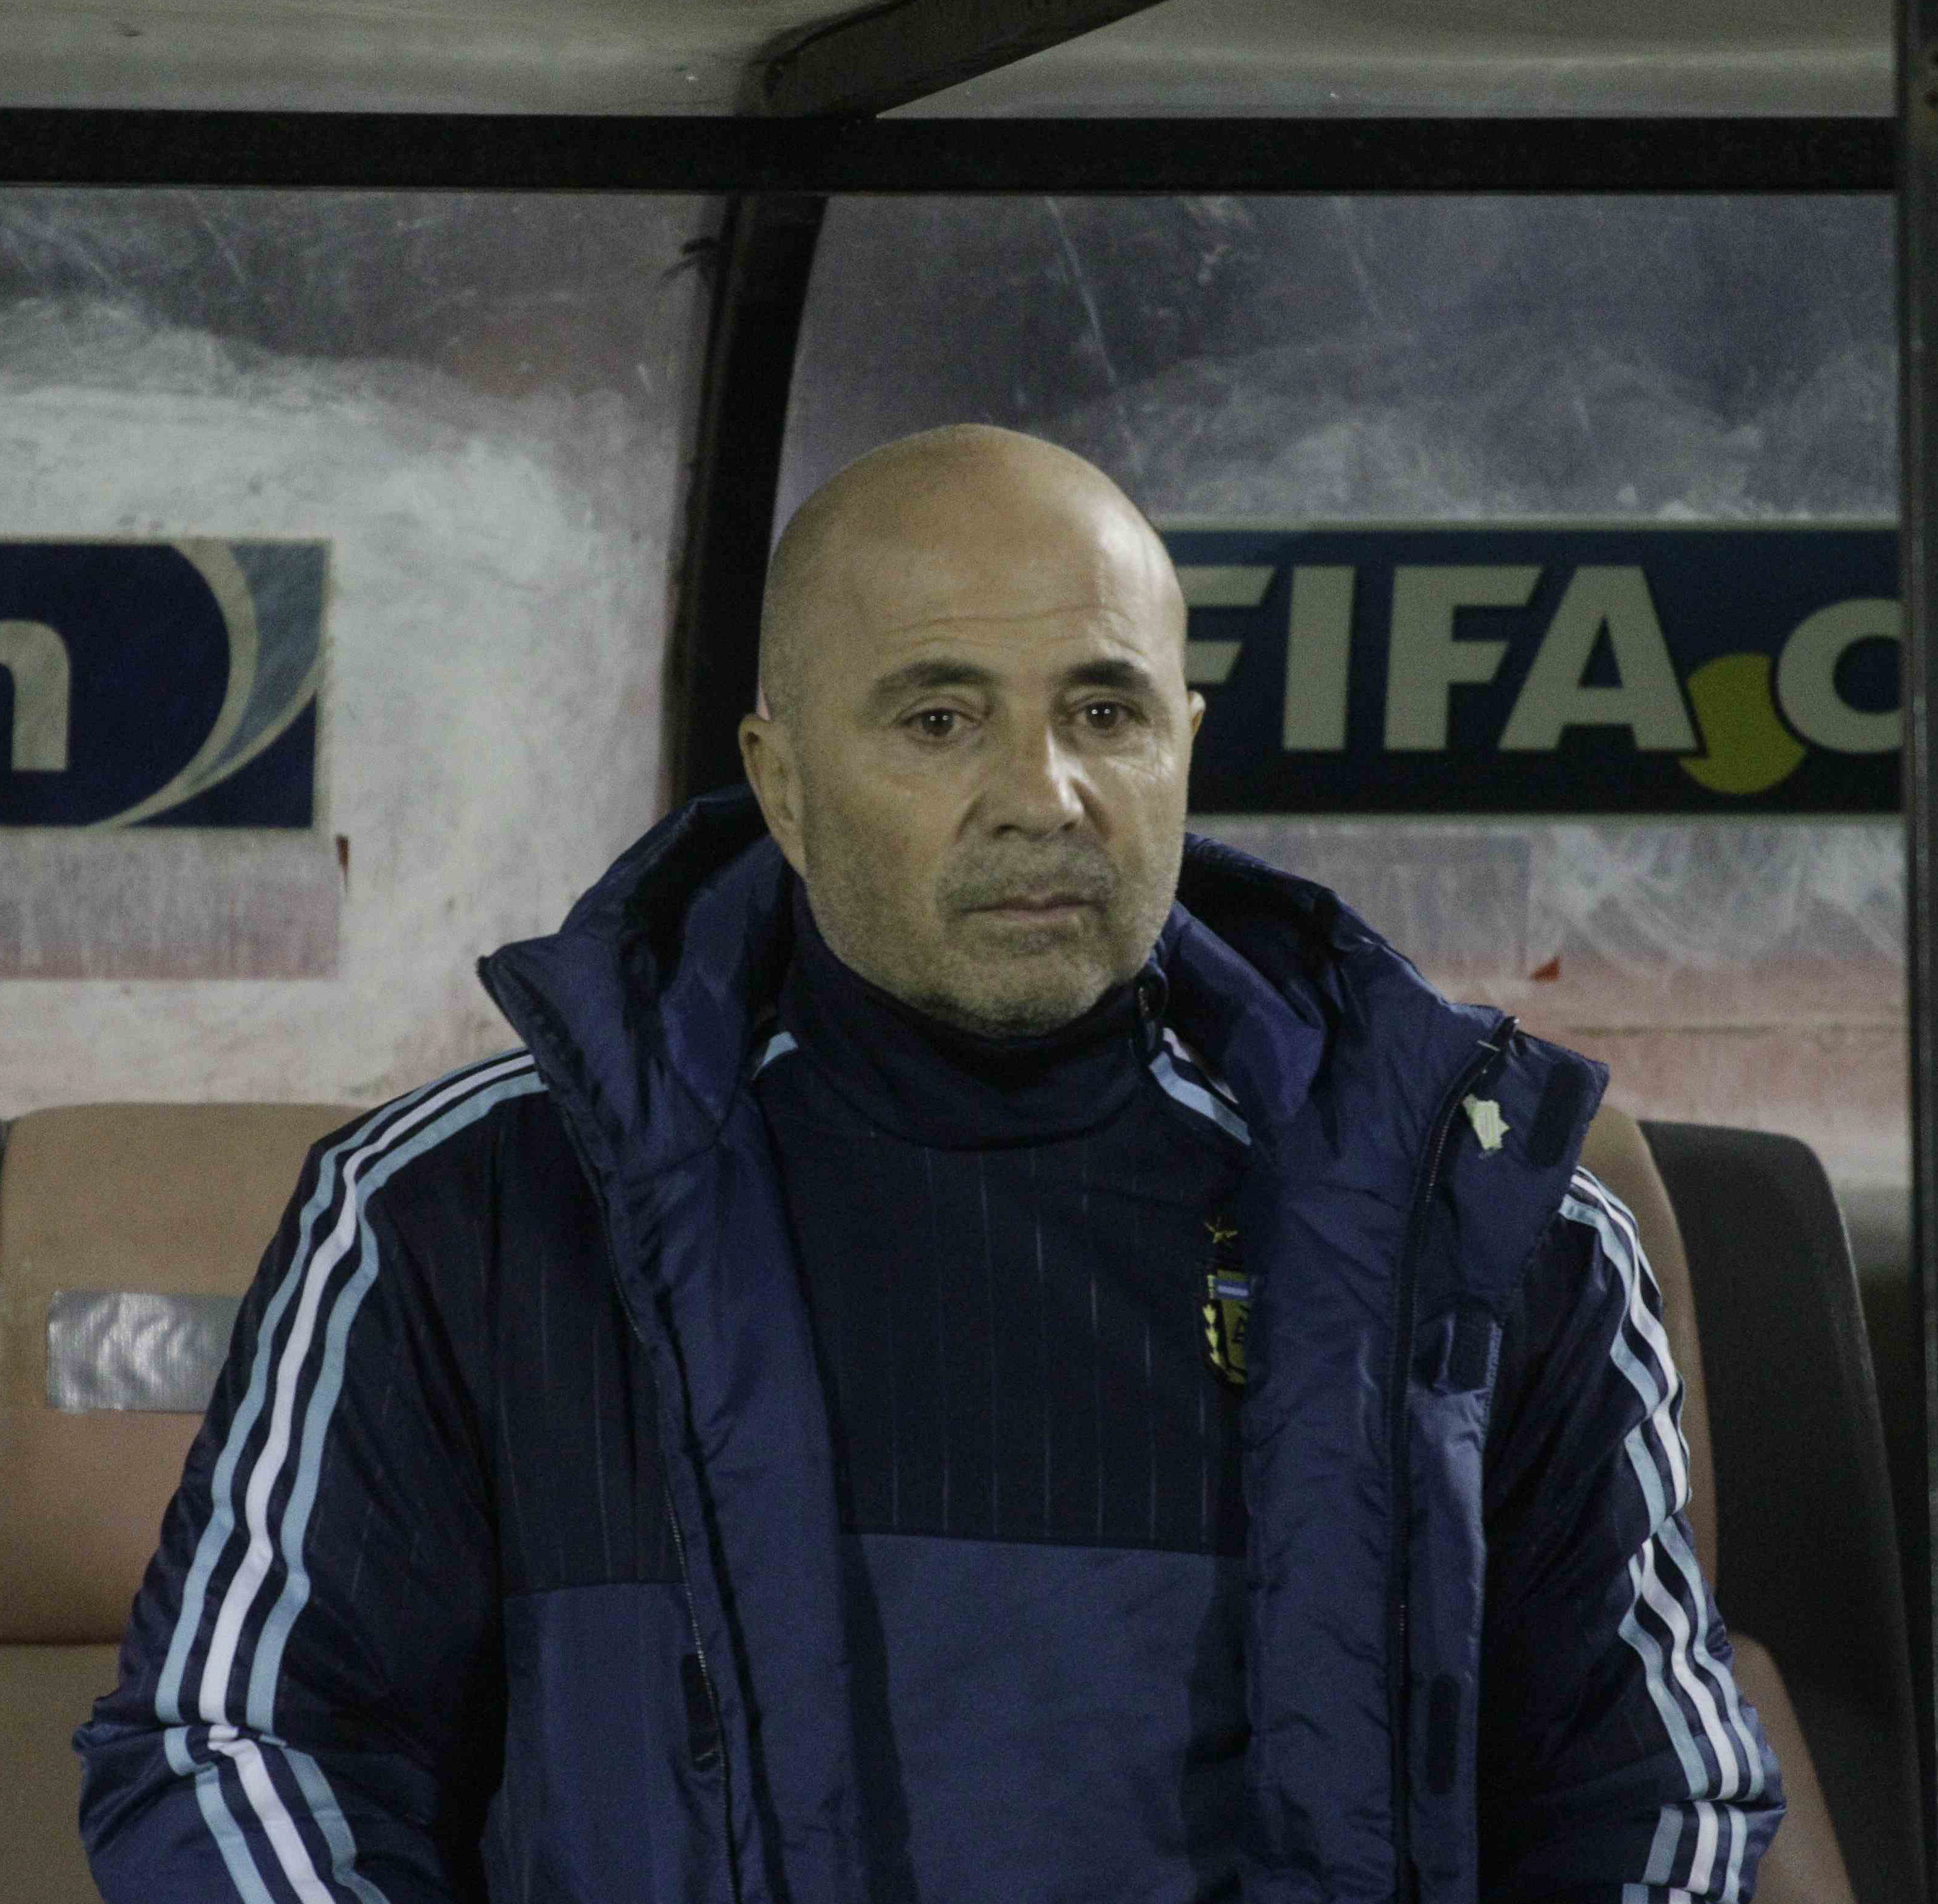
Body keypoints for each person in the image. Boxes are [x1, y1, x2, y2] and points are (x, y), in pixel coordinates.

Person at [76, 424, 1782, 1902]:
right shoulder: (463, 1215)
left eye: (1104, 710)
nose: (1043, 795)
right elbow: (237, 1748)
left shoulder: (1484, 1234)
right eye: (940, 719)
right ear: (781, 782)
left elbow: (1658, 1801)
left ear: (1185, 747)